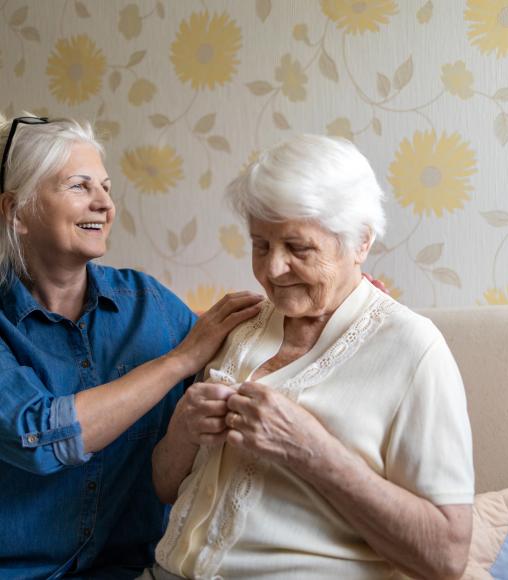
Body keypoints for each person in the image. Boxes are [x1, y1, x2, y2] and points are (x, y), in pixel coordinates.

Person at [144, 134, 475, 580]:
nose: (272, 269)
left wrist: (312, 452)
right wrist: (184, 425)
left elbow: (447, 557)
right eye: (260, 245)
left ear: (360, 243)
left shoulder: (413, 349)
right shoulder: (237, 324)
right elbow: (165, 488)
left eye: (298, 248)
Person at [0, 114, 264, 580]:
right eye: (79, 186)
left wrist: (340, 310)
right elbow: (39, 437)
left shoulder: (147, 302)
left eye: (105, 187)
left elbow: (241, 353)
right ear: (16, 213)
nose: (104, 204)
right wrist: (176, 361)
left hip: (137, 571)